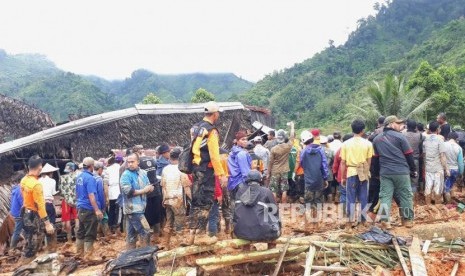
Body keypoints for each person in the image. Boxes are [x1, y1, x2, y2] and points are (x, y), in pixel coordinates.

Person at [188, 101, 228, 245]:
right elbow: (214, 155)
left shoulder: (195, 128)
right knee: (205, 202)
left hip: (195, 169)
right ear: (215, 114)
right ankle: (200, 235)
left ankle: (191, 235)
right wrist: (221, 174)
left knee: (196, 201)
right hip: (206, 170)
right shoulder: (211, 131)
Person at [372, 116, 417, 229]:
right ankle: (407, 220)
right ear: (391, 124)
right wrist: (413, 169)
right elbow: (409, 155)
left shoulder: (377, 139)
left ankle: (385, 221)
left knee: (385, 196)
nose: (400, 126)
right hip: (401, 172)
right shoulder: (400, 137)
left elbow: (376, 159)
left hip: (385, 172)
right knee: (405, 195)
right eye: (398, 123)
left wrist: (376, 173)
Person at [20, 155, 55, 262]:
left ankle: (26, 261)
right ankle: (27, 265)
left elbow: (24, 196)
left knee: (29, 240)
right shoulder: (36, 185)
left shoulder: (24, 180)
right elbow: (40, 205)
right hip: (34, 215)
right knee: (35, 242)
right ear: (40, 167)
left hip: (25, 212)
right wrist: (47, 223)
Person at [340, 120, 373, 228]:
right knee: (363, 197)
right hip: (363, 173)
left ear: (352, 129)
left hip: (351, 172)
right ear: (363, 130)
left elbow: (343, 163)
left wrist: (343, 177)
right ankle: (363, 221)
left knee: (351, 198)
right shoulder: (368, 144)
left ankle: (349, 223)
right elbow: (369, 161)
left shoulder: (345, 144)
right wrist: (366, 172)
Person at [233, 170, 280, 241]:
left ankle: (246, 248)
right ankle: (271, 247)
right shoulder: (266, 191)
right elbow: (274, 212)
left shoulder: (239, 191)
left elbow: (235, 212)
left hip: (241, 232)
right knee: (273, 218)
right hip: (262, 232)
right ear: (260, 180)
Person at [120, 153, 154, 249]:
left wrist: (150, 188)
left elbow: (148, 185)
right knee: (145, 231)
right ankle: (146, 254)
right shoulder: (125, 175)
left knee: (131, 235)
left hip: (141, 207)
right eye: (128, 162)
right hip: (133, 209)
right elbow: (128, 191)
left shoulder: (143, 173)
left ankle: (130, 256)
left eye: (132, 162)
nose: (130, 164)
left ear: (138, 162)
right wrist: (144, 190)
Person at [161, 147, 191, 248]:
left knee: (169, 223)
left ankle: (166, 245)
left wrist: (163, 199)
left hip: (168, 200)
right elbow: (186, 188)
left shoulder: (165, 169)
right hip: (178, 200)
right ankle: (179, 248)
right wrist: (193, 199)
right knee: (180, 226)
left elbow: (163, 186)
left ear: (170, 157)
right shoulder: (181, 169)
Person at [299, 131, 329, 228]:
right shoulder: (321, 150)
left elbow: (302, 164)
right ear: (312, 139)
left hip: (308, 181)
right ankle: (316, 225)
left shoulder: (303, 152)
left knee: (308, 202)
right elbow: (324, 165)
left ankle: (307, 224)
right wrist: (325, 178)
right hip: (319, 179)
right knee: (318, 202)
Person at [75, 157, 102, 259]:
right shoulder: (90, 178)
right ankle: (88, 256)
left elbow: (77, 193)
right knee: (90, 234)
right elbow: (92, 195)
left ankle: (79, 255)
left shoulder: (79, 176)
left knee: (81, 232)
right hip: (88, 208)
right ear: (91, 166)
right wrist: (97, 209)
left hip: (81, 207)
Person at [268, 122, 295, 203]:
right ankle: (284, 206)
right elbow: (292, 137)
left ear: (277, 138)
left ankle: (275, 207)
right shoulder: (288, 146)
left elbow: (270, 162)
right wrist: (292, 127)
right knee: (284, 190)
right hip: (284, 171)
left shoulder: (273, 149)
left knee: (274, 190)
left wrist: (268, 173)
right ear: (284, 138)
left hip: (275, 171)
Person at [423, 121, 449, 205]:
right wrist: (446, 169)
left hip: (428, 168)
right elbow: (442, 156)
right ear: (438, 129)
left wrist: (425, 166)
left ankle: (428, 206)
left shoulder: (425, 140)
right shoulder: (440, 139)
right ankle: (437, 208)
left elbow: (424, 155)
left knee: (428, 187)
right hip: (438, 168)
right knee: (437, 189)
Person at [228, 131, 252, 213]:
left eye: (246, 139)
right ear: (237, 141)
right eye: (242, 139)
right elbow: (245, 172)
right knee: (245, 207)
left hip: (232, 183)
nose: (245, 141)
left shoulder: (231, 153)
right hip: (242, 182)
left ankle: (234, 224)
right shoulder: (242, 154)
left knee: (234, 205)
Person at [38, 163, 59, 252]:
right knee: (52, 224)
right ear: (50, 173)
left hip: (41, 206)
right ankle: (52, 247)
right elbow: (53, 193)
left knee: (43, 225)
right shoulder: (52, 181)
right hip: (49, 204)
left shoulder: (38, 181)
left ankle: (45, 246)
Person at [403, 119, 423, 201]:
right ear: (415, 127)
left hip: (404, 160)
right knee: (414, 180)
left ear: (407, 126)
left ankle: (405, 199)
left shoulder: (402, 134)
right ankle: (413, 200)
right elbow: (421, 148)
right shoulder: (420, 135)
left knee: (404, 179)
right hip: (415, 160)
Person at [60, 162, 79, 244]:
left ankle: (69, 240)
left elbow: (60, 191)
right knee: (77, 218)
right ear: (73, 168)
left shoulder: (62, 178)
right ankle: (78, 238)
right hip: (76, 200)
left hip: (66, 201)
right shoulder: (77, 177)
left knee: (67, 220)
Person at [444, 132, 464, 202]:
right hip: (455, 170)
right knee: (451, 185)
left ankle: (448, 203)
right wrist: (461, 172)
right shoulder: (459, 148)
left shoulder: (443, 145)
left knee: (446, 187)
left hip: (446, 169)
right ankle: (451, 201)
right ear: (456, 139)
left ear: (448, 137)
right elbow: (460, 163)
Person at [106, 155, 123, 235]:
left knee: (111, 210)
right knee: (119, 210)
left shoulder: (107, 169)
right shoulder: (119, 167)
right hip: (118, 190)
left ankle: (110, 226)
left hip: (110, 191)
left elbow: (106, 183)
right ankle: (117, 227)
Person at [9, 172, 25, 254]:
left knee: (25, 229)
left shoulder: (14, 189)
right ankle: (12, 249)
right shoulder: (19, 190)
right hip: (19, 213)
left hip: (14, 212)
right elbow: (23, 203)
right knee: (17, 231)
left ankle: (26, 245)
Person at [94, 161, 110, 238]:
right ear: (100, 169)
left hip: (89, 203)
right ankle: (106, 236)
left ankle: (98, 236)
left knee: (96, 220)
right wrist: (103, 205)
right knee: (104, 218)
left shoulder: (90, 176)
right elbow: (100, 193)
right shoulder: (98, 179)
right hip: (98, 203)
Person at [320, 136, 335, 202]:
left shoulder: (317, 151)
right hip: (329, 173)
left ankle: (322, 206)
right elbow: (334, 162)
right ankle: (329, 206)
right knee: (329, 191)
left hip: (319, 173)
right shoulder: (331, 151)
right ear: (326, 142)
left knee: (321, 191)